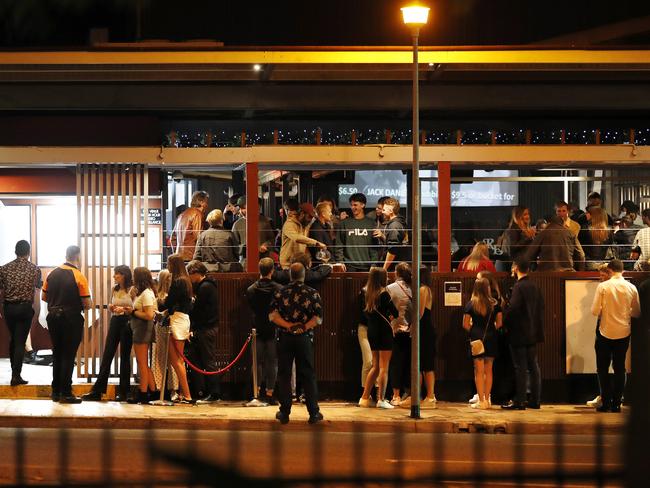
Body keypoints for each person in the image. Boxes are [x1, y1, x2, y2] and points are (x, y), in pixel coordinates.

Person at [269, 262, 324, 424]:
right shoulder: (313, 293)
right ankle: (313, 413)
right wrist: (303, 327)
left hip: (285, 338)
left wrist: (289, 327)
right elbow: (318, 319)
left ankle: (284, 412)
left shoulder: (280, 292)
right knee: (308, 374)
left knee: (284, 374)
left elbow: (272, 316)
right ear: (304, 275)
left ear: (290, 275)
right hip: (305, 338)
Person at [42, 245, 92, 403]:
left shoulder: (52, 274)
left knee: (57, 353)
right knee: (68, 355)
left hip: (53, 317)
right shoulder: (78, 275)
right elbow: (88, 303)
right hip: (71, 318)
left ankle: (55, 391)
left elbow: (44, 297)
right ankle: (66, 391)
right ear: (77, 256)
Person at [590, 259, 640, 413]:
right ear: (622, 270)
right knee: (620, 368)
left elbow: (594, 311)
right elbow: (637, 312)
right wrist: (625, 314)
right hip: (623, 332)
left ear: (610, 270)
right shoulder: (632, 287)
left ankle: (605, 403)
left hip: (605, 331)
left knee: (602, 369)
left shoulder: (603, 287)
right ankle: (617, 404)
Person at [82, 265, 134, 402]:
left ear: (124, 275)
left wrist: (123, 309)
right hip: (115, 321)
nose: (114, 276)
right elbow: (111, 306)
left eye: (117, 274)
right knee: (107, 354)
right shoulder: (114, 289)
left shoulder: (133, 289)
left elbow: (134, 308)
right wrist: (111, 308)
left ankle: (124, 392)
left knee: (125, 356)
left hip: (127, 322)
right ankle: (97, 391)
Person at [502, 258, 544, 410]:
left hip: (519, 333)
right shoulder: (535, 286)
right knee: (534, 366)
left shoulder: (519, 287)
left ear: (516, 268)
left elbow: (513, 309)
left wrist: (504, 321)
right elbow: (541, 307)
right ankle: (535, 400)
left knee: (520, 367)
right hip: (533, 332)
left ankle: (520, 401)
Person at [0, 240, 42, 386]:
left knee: (13, 339)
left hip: (9, 309)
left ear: (15, 251)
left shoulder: (4, 269)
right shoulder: (34, 269)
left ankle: (14, 372)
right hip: (24, 309)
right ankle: (16, 375)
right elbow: (38, 289)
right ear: (28, 252)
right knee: (20, 341)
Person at [358, 267, 399, 410]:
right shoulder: (384, 294)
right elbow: (395, 312)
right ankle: (381, 399)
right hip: (384, 331)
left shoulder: (366, 293)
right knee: (384, 368)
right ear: (382, 278)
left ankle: (364, 398)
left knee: (375, 366)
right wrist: (390, 317)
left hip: (372, 331)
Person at [246, 257, 283, 404]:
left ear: (259, 270)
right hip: (273, 328)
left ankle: (256, 392)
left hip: (257, 328)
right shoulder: (279, 289)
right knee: (272, 363)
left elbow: (252, 308)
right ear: (272, 271)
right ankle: (270, 393)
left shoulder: (251, 290)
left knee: (256, 363)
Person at [462, 277, 502, 410]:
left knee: (478, 371)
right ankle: (487, 399)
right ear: (488, 288)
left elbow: (465, 324)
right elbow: (500, 323)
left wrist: (474, 331)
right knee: (489, 370)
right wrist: (491, 330)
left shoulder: (471, 304)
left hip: (476, 339)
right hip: (491, 338)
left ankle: (481, 400)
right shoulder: (495, 304)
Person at [186, 260, 221, 404]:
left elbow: (198, 310)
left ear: (195, 273)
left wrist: (192, 304)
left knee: (208, 361)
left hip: (206, 328)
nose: (189, 278)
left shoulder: (204, 287)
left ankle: (214, 393)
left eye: (190, 274)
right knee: (207, 360)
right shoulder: (209, 285)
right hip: (209, 326)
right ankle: (210, 392)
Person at [164, 254, 194, 403]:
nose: (168, 266)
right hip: (184, 319)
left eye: (169, 263)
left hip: (177, 319)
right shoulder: (186, 281)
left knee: (176, 360)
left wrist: (161, 302)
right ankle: (184, 394)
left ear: (173, 265)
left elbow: (168, 303)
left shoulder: (177, 282)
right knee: (179, 360)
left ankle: (187, 395)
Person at [126, 267, 157, 404]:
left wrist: (132, 312)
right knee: (143, 363)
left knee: (142, 363)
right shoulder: (142, 293)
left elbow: (149, 315)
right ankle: (153, 391)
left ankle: (143, 394)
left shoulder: (146, 294)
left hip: (143, 329)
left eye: (134, 276)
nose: (132, 278)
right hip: (139, 328)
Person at [386, 262, 412, 406]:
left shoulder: (390, 288)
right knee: (410, 362)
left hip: (395, 329)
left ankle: (395, 395)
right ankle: (409, 393)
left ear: (396, 273)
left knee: (396, 363)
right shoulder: (416, 287)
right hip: (412, 330)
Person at [152, 269, 179, 400]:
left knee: (174, 361)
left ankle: (174, 389)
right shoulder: (158, 295)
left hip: (172, 327)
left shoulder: (174, 294)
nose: (170, 280)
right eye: (167, 278)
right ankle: (160, 388)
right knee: (159, 358)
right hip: (160, 327)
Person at [335, 193, 378, 271]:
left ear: (363, 205)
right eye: (351, 205)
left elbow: (374, 246)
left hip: (367, 266)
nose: (352, 207)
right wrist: (340, 261)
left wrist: (374, 263)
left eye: (355, 205)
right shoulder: (344, 223)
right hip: (349, 266)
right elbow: (339, 244)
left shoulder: (371, 223)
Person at [231, 196, 276, 268]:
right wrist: (245, 248)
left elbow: (272, 239)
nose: (241, 211)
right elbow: (233, 246)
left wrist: (266, 245)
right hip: (245, 263)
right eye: (241, 208)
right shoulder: (237, 224)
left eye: (244, 208)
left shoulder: (265, 221)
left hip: (264, 261)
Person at [279, 199, 326, 269]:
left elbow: (304, 245)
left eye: (312, 218)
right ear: (302, 214)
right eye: (309, 217)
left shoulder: (304, 225)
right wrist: (316, 243)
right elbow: (297, 238)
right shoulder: (289, 224)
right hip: (287, 265)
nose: (310, 220)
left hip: (300, 264)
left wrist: (308, 259)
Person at [171, 190, 209, 261]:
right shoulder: (197, 214)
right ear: (201, 202)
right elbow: (198, 237)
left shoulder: (181, 215)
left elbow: (173, 238)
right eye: (206, 202)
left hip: (179, 257)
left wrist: (176, 254)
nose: (207, 205)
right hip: (191, 257)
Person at [419, 265, 437, 405]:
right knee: (423, 365)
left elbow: (419, 313)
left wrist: (410, 326)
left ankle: (430, 396)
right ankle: (423, 396)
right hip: (426, 328)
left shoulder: (423, 289)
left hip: (424, 328)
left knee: (426, 364)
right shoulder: (427, 289)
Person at [380, 197, 409, 270]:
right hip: (397, 266)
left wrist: (384, 269)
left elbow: (393, 249)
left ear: (390, 211)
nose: (382, 212)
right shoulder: (398, 223)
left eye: (384, 210)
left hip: (394, 268)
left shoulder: (394, 225)